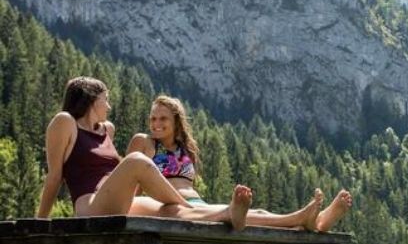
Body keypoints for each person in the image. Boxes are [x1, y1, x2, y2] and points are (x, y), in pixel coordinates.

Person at [36, 77, 251, 229]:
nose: (109, 106)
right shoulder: (65, 122)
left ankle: (228, 214)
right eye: (105, 99)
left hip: (119, 203)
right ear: (91, 99)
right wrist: (40, 222)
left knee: (169, 211)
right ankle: (188, 205)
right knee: (137, 161)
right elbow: (55, 176)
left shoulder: (106, 129)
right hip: (92, 208)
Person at [127, 95, 353, 232]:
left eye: (163, 118)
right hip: (167, 206)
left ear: (176, 121)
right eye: (153, 118)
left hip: (194, 203)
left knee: (259, 211)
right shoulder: (144, 143)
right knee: (232, 213)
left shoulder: (186, 150)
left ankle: (320, 222)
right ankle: (300, 218)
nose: (156, 124)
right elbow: (130, 185)